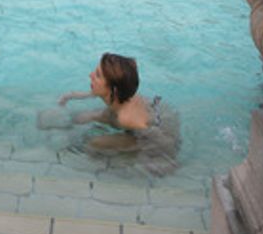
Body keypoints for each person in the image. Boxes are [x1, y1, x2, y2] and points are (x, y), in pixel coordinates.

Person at [41, 53, 180, 168]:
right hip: (151, 109)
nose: (90, 75)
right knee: (84, 117)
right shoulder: (119, 95)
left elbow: (163, 141)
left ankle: (71, 154)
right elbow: (92, 94)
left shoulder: (126, 118)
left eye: (97, 75)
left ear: (113, 89)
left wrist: (160, 161)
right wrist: (69, 96)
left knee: (94, 144)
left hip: (155, 131)